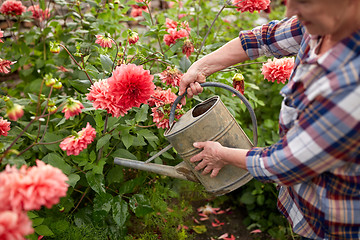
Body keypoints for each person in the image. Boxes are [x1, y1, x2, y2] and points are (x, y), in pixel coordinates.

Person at [178, 0, 360, 239]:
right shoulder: (325, 24)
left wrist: (221, 154)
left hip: (336, 223)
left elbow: (286, 163)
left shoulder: (351, 84)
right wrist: (201, 66)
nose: (290, 11)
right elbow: (265, 38)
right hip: (309, 203)